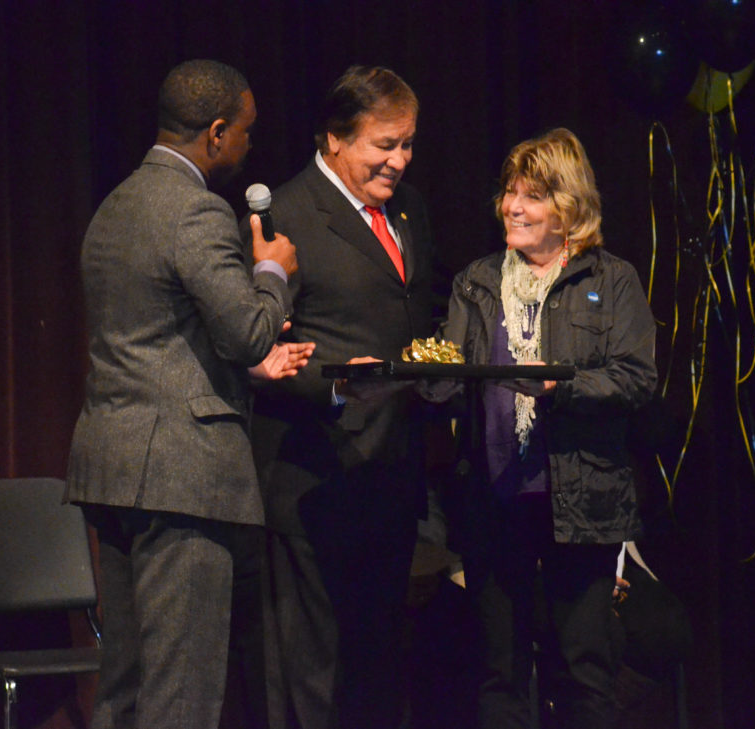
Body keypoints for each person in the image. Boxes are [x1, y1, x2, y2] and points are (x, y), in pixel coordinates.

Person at [64, 59, 313, 729]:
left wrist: (242, 375)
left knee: (126, 685)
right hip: (181, 475)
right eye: (246, 132)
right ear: (217, 132)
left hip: (115, 467)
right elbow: (249, 331)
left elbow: (154, 336)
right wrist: (273, 271)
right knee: (181, 692)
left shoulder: (116, 203)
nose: (249, 146)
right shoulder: (195, 210)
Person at [430, 127, 657, 729]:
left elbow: (636, 379)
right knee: (499, 674)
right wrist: (414, 374)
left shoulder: (610, 280)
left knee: (583, 672)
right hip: (495, 502)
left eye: (531, 196)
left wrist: (562, 387)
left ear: (568, 208)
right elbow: (449, 377)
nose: (512, 206)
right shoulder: (476, 281)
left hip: (582, 502)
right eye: (509, 192)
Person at [243, 65, 437, 729]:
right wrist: (332, 382)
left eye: (407, 144)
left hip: (391, 474)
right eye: (383, 145)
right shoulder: (286, 217)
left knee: (378, 671)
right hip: (313, 479)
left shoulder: (409, 210)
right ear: (334, 139)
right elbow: (252, 351)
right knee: (314, 679)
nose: (399, 160)